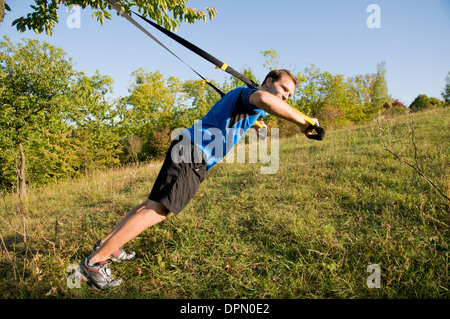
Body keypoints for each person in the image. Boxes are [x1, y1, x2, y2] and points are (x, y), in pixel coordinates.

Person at [75, 69, 319, 290]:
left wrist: (255, 125)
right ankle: (94, 263)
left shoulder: (246, 98)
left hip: (188, 148)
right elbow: (265, 99)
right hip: (195, 153)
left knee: (151, 203)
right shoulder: (255, 95)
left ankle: (107, 244)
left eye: (290, 94)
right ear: (269, 81)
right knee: (158, 210)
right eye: (284, 89)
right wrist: (303, 122)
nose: (286, 97)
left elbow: (248, 109)